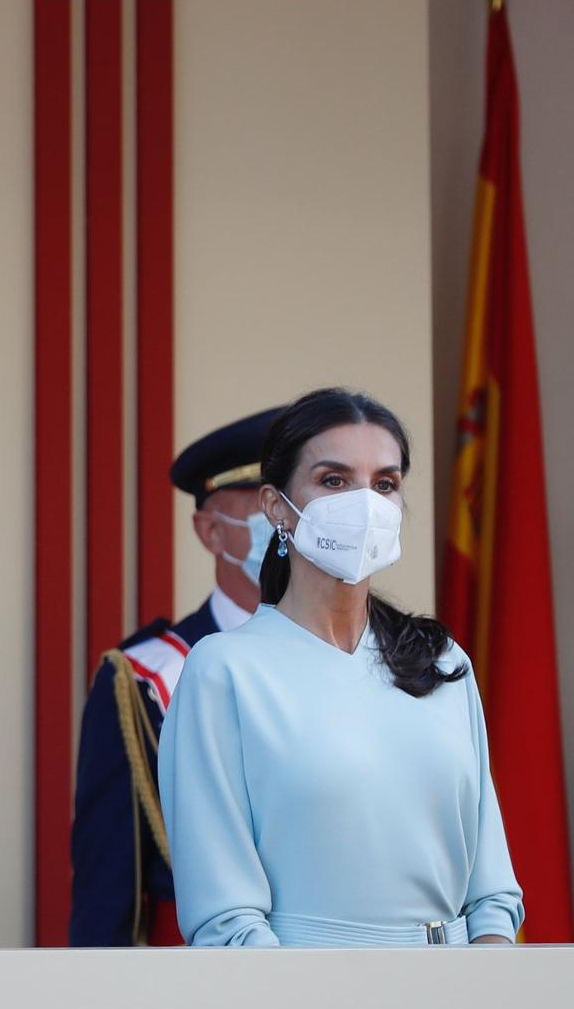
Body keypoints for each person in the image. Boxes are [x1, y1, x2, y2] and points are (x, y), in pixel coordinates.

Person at [158, 388, 523, 947]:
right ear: (277, 506)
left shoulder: (442, 661)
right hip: (308, 1004)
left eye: (385, 484)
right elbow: (226, 917)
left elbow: (492, 891)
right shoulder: (224, 671)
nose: (365, 503)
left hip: (458, 1000)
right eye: (334, 480)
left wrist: (482, 988)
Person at [70, 408, 281, 946]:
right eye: (265, 504)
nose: (288, 520)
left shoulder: (375, 659)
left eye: (296, 499)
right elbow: (110, 888)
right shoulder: (144, 679)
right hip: (205, 986)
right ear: (211, 531)